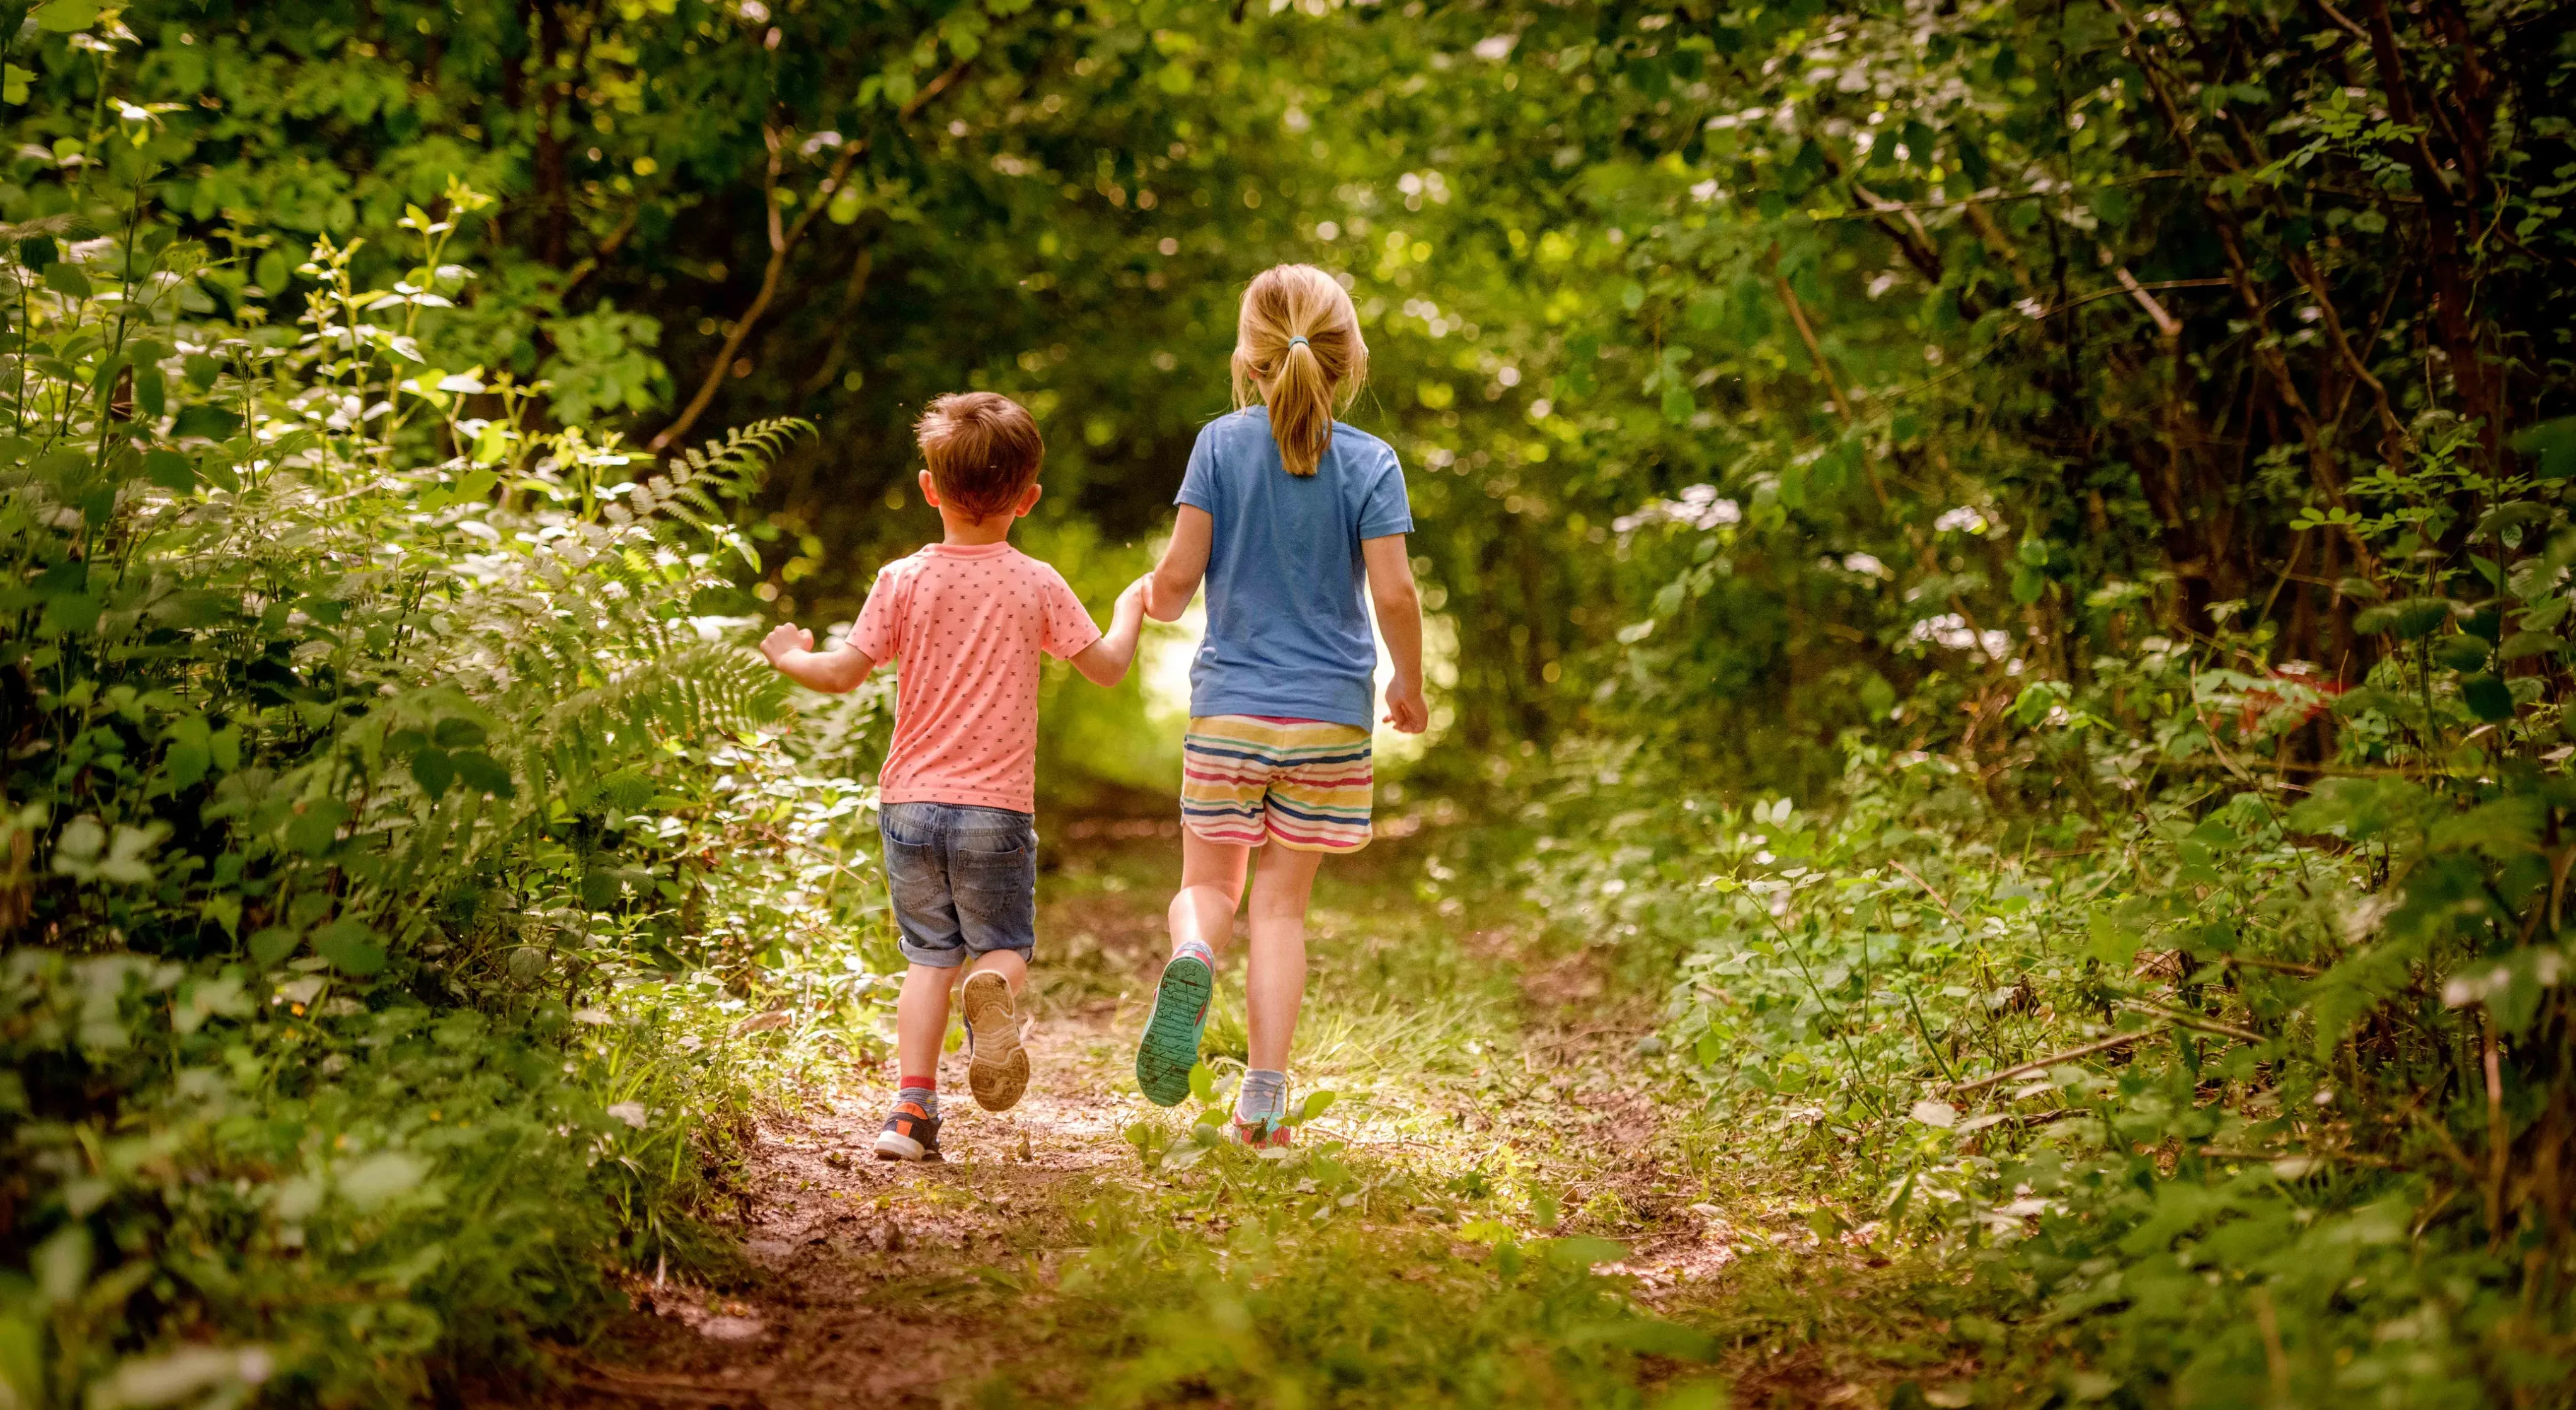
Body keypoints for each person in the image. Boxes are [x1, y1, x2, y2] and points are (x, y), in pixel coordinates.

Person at [760, 391, 1148, 1162]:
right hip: (994, 809)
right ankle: (994, 988)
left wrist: (786, 656)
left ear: (928, 487)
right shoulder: (1035, 582)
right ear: (1028, 499)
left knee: (926, 958)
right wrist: (1132, 606)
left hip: (908, 803)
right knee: (1000, 947)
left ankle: (909, 1115)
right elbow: (1104, 667)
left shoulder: (902, 579)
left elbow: (839, 675)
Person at [1134, 263, 1429, 1147]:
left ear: (1249, 359)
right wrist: (1406, 686)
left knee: (1205, 888)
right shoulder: (1373, 462)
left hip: (1231, 709)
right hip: (1329, 721)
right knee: (1282, 911)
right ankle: (1262, 1101)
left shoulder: (1218, 447)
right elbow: (1398, 595)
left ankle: (1192, 955)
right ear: (1350, 358)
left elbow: (1179, 585)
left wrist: (1147, 596)